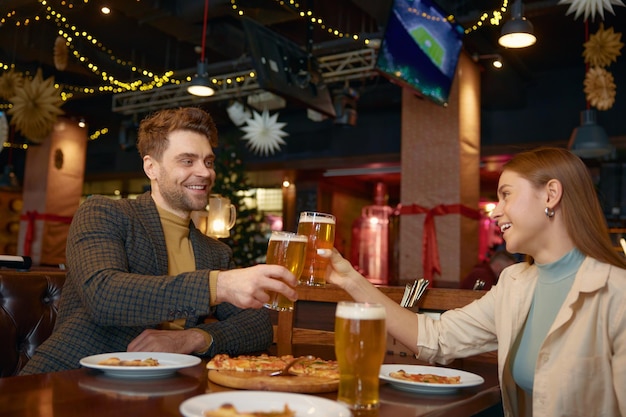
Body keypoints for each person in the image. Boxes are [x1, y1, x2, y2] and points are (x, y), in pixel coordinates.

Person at [325, 147, 626, 417]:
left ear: (550, 194)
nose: (495, 211)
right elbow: (437, 337)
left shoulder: (617, 293)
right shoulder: (515, 283)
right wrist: (349, 279)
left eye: (506, 194)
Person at [21, 107, 298, 374]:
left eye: (208, 161)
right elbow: (104, 295)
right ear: (151, 167)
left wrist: (193, 338)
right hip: (69, 379)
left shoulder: (214, 252)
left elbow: (258, 325)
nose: (205, 172)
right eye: (187, 161)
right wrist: (218, 285)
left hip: (161, 389)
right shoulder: (105, 213)